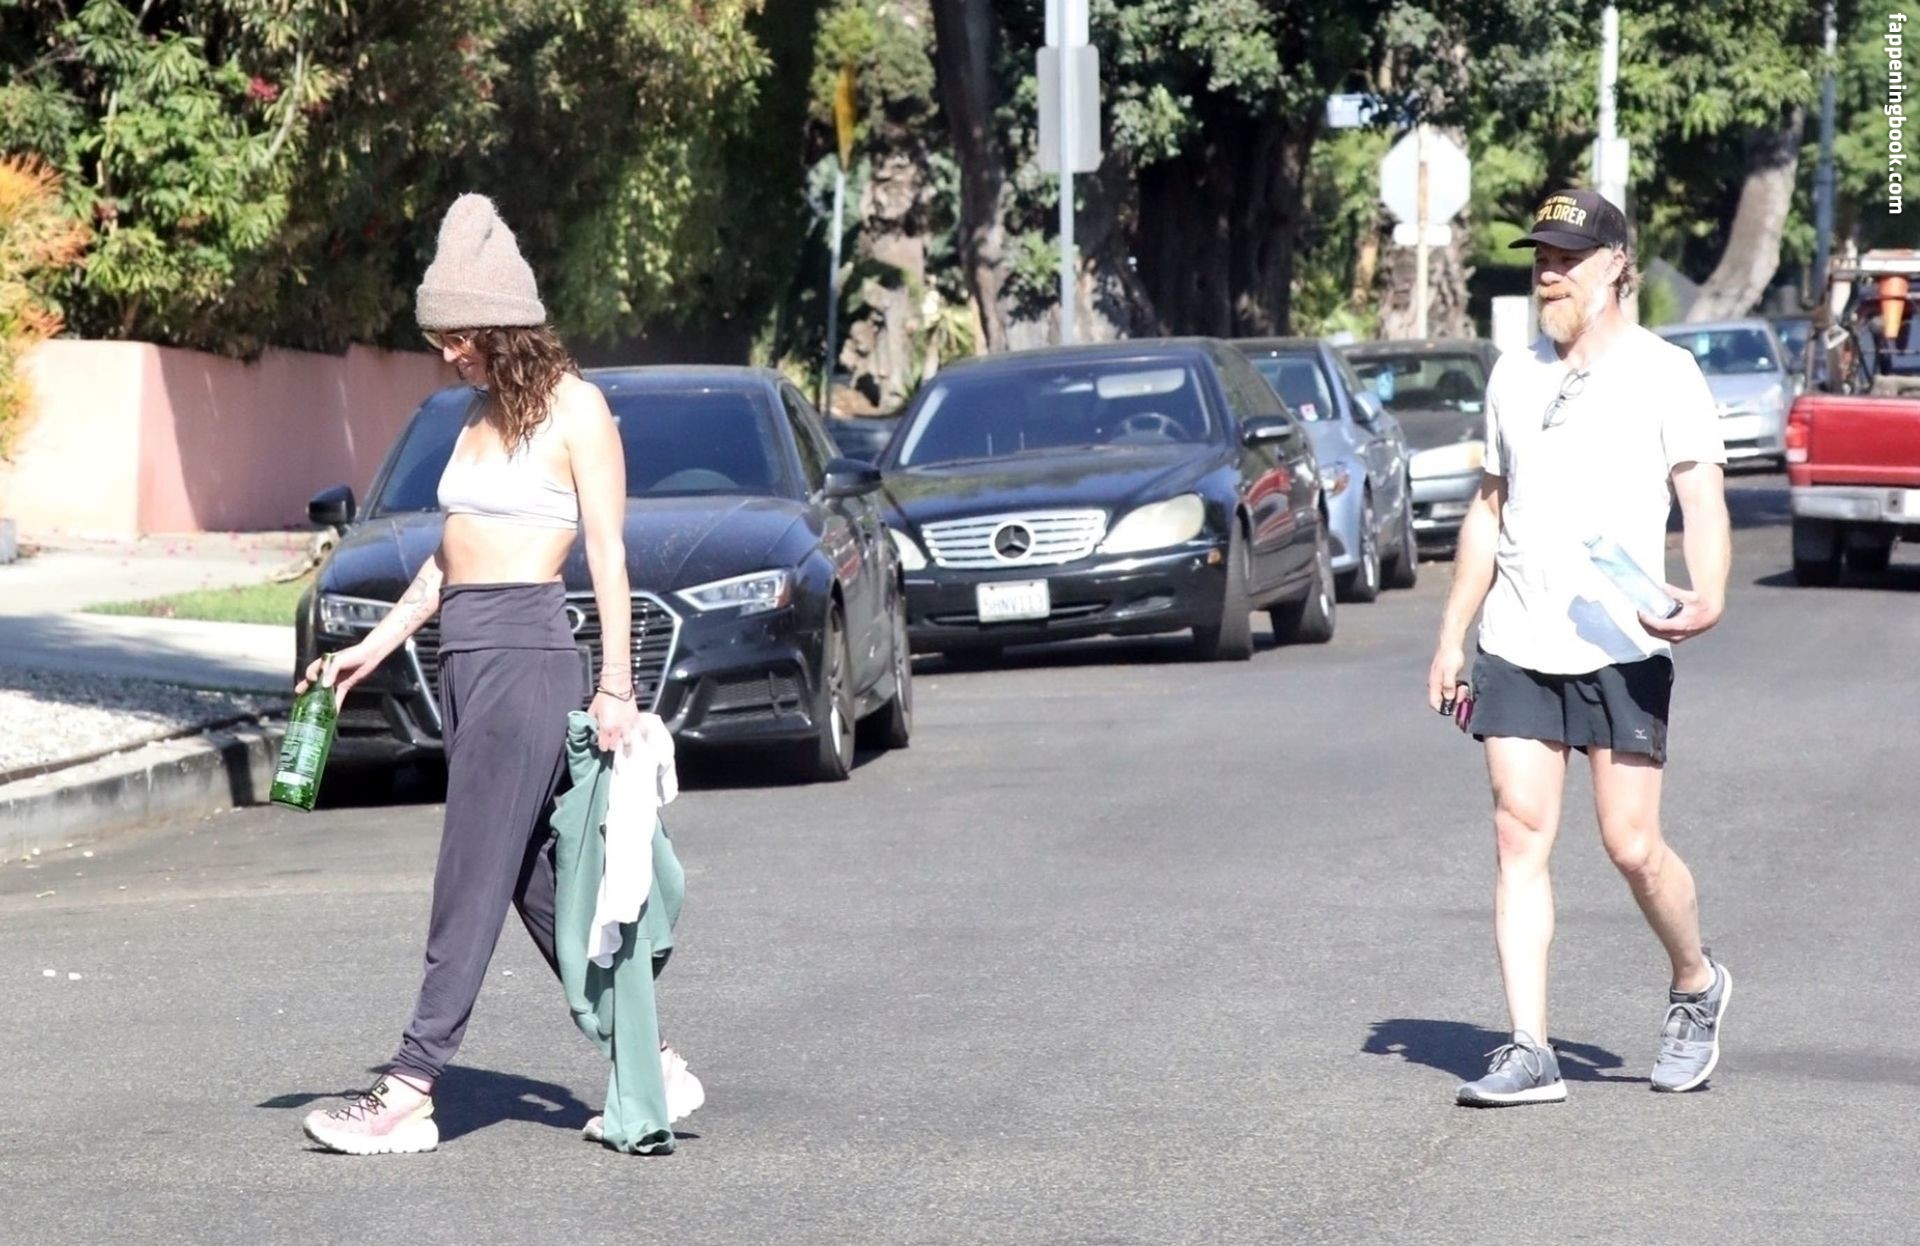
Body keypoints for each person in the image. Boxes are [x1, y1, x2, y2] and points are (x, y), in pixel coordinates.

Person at [298, 193, 646, 1154]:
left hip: (528, 656)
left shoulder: (578, 409)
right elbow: (450, 559)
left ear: (506, 324)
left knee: (470, 872)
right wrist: (372, 648)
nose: (449, 353)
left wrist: (617, 686)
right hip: (466, 653)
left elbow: (608, 554)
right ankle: (646, 1056)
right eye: (440, 339)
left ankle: (410, 1087)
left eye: (461, 335)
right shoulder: (478, 414)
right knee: (535, 880)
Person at [1426, 188, 1733, 1107]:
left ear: (1616, 265)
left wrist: (1709, 592)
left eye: (1567, 259)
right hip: (1518, 637)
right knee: (1517, 833)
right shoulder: (1513, 376)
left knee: (1630, 844)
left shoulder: (1666, 373)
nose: (1549, 274)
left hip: (1622, 640)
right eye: (1542, 259)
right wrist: (1453, 635)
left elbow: (1702, 499)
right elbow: (1489, 510)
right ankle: (1530, 1048)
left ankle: (1695, 981)